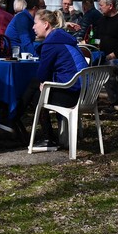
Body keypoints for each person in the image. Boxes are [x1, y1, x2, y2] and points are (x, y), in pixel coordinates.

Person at [26, 9, 89, 149]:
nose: (33, 27)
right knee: (35, 85)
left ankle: (48, 138)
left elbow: (42, 74)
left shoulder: (51, 43)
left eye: (35, 23)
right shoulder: (63, 37)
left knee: (37, 94)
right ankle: (14, 119)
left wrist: (44, 82)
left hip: (73, 94)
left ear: (46, 24)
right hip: (86, 92)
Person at [92, 0, 118, 104]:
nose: (99, 8)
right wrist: (90, 43)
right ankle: (91, 99)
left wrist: (112, 55)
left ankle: (115, 101)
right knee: (86, 65)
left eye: (101, 5)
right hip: (102, 56)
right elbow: (96, 39)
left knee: (107, 67)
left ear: (110, 5)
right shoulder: (101, 20)